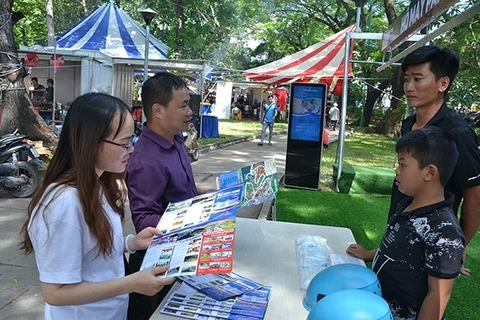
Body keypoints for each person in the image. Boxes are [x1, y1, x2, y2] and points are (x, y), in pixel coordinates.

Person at [20, 92, 175, 320]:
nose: (131, 149)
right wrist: (130, 283)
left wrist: (131, 243)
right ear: (92, 142)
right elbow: (55, 293)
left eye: (132, 139)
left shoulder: (98, 183)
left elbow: (89, 251)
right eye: (124, 143)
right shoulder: (64, 204)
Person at [347, 126, 465, 320]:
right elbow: (395, 248)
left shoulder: (444, 231)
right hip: (379, 308)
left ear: (429, 173)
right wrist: (368, 254)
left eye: (403, 165)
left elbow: (438, 295)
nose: (397, 171)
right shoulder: (407, 203)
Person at [387, 46, 480, 275]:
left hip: (431, 241)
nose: (408, 87)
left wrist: (456, 246)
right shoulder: (409, 124)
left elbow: (475, 198)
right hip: (400, 230)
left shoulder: (458, 133)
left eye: (418, 79)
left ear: (442, 84)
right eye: (407, 79)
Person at [126, 72, 206, 318]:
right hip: (163, 265)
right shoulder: (145, 160)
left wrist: (213, 194)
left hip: (189, 248)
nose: (190, 111)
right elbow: (144, 219)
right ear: (158, 110)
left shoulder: (176, 141)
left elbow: (182, 190)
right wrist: (194, 214)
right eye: (183, 105)